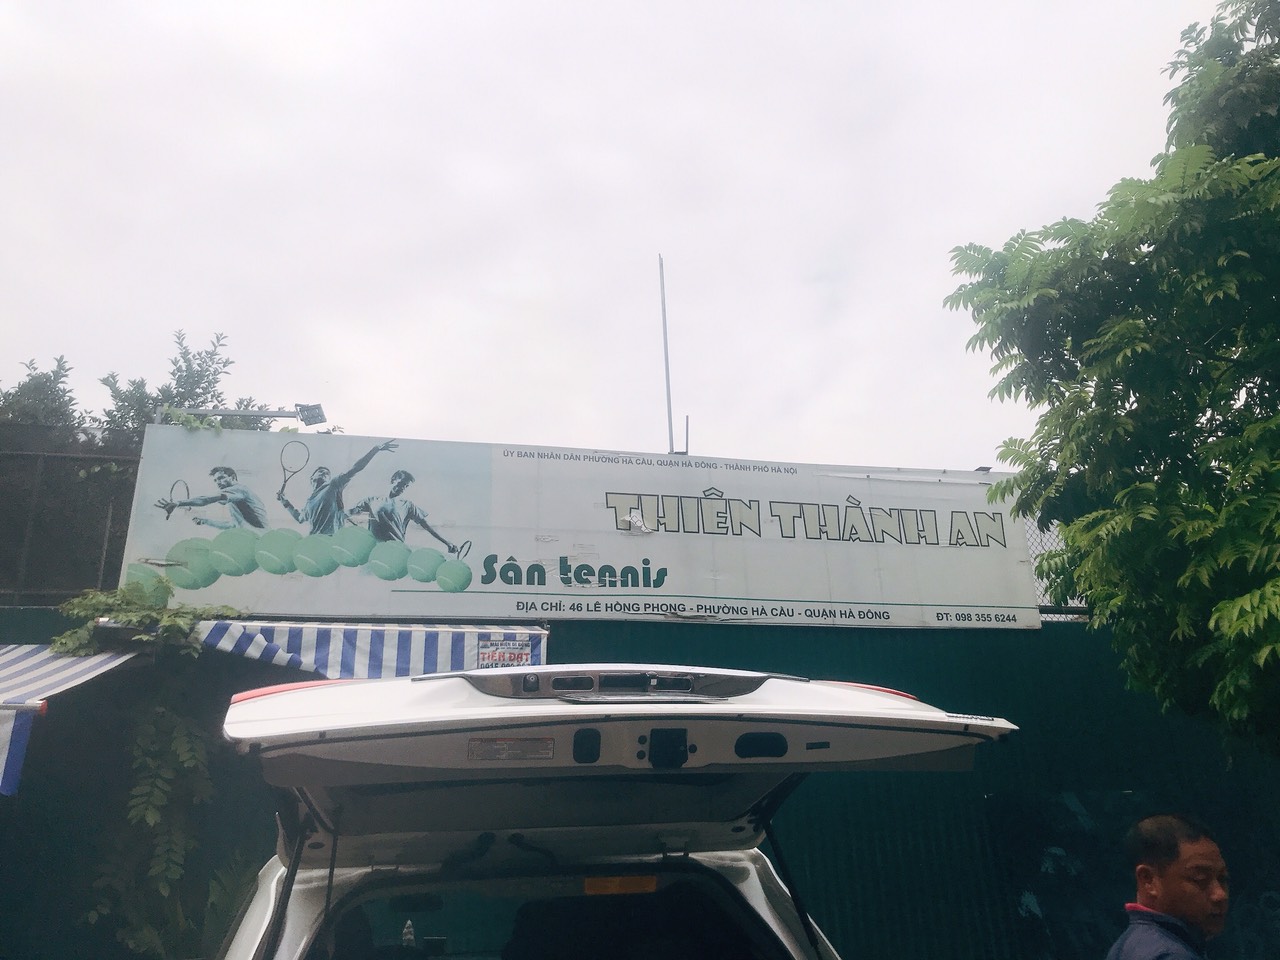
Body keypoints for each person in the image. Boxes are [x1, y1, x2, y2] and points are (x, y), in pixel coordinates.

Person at [1104, 814, 1229, 960]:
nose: (1220, 894)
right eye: (1199, 878)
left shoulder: (1126, 946)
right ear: (1148, 880)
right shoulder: (1172, 955)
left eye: (1223, 879)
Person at [279, 439, 397, 536]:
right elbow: (300, 518)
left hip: (332, 541)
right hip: (313, 542)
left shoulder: (333, 484)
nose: (325, 473)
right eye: (321, 471)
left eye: (327, 473)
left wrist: (375, 450)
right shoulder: (309, 502)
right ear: (312, 478)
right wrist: (285, 502)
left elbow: (355, 468)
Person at [346, 469, 458, 552]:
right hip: (374, 551)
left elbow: (428, 527)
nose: (403, 488)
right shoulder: (371, 500)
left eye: (406, 486)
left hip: (397, 551)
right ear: (393, 480)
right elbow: (350, 513)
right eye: (401, 484)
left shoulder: (408, 505)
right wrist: (343, 513)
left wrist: (447, 542)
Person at [154, 466, 267, 529]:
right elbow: (233, 525)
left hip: (260, 540)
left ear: (233, 477)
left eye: (221, 478)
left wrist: (178, 503)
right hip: (258, 541)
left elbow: (207, 499)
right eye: (215, 480)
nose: (218, 482)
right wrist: (206, 521)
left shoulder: (239, 489)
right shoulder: (237, 500)